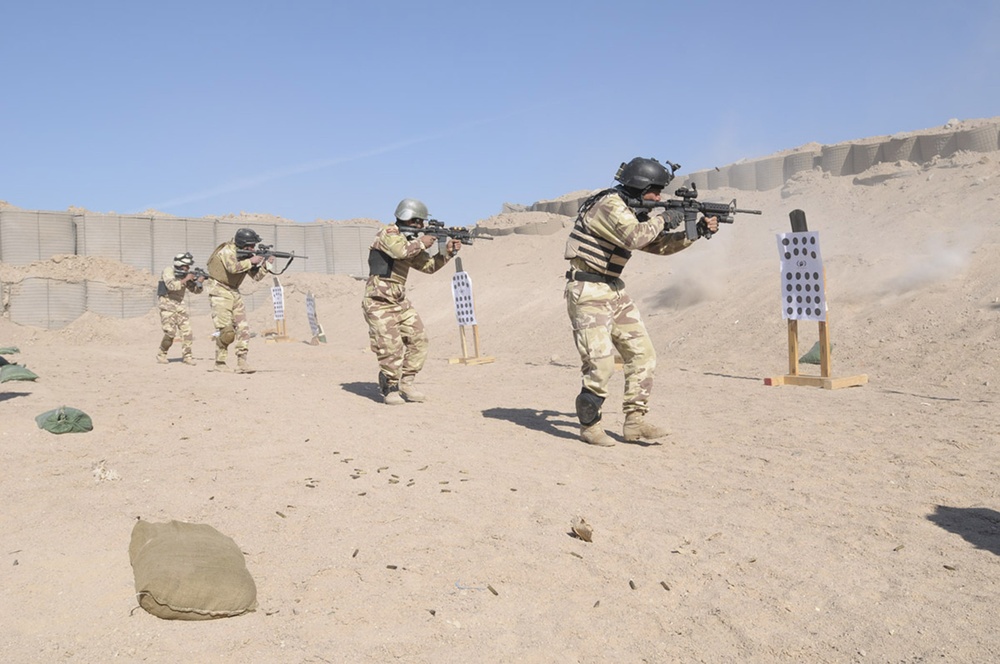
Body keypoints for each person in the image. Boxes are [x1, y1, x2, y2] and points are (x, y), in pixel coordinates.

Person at [563, 157, 720, 447]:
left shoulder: (631, 211)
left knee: (643, 355)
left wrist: (696, 231)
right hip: (587, 290)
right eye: (656, 192)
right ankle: (590, 427)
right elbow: (635, 236)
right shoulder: (609, 205)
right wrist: (664, 218)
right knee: (600, 365)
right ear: (640, 185)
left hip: (613, 290)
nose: (659, 198)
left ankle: (635, 422)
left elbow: (658, 245)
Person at [362, 198, 461, 404]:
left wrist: (448, 252)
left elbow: (429, 266)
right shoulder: (388, 234)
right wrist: (421, 242)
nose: (422, 227)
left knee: (419, 339)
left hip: (399, 301)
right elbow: (400, 251)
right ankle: (390, 387)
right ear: (410, 219)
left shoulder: (410, 243)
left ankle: (407, 382)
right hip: (379, 301)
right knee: (390, 347)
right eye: (420, 222)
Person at [205, 228, 273, 373]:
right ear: (243, 244)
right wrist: (252, 260)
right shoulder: (227, 251)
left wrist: (267, 264)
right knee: (226, 331)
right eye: (251, 246)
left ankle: (242, 362)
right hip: (219, 291)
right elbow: (232, 269)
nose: (253, 249)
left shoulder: (245, 255)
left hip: (234, 292)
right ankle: (220, 362)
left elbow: (256, 277)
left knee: (243, 329)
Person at [156, 252, 205, 365]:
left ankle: (187, 356)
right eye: (186, 266)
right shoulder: (168, 271)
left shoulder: (184, 275)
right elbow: (171, 286)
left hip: (179, 306)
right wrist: (186, 279)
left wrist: (199, 283)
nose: (188, 268)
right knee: (170, 332)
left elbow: (195, 291)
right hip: (167, 305)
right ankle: (161, 354)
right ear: (180, 264)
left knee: (187, 332)